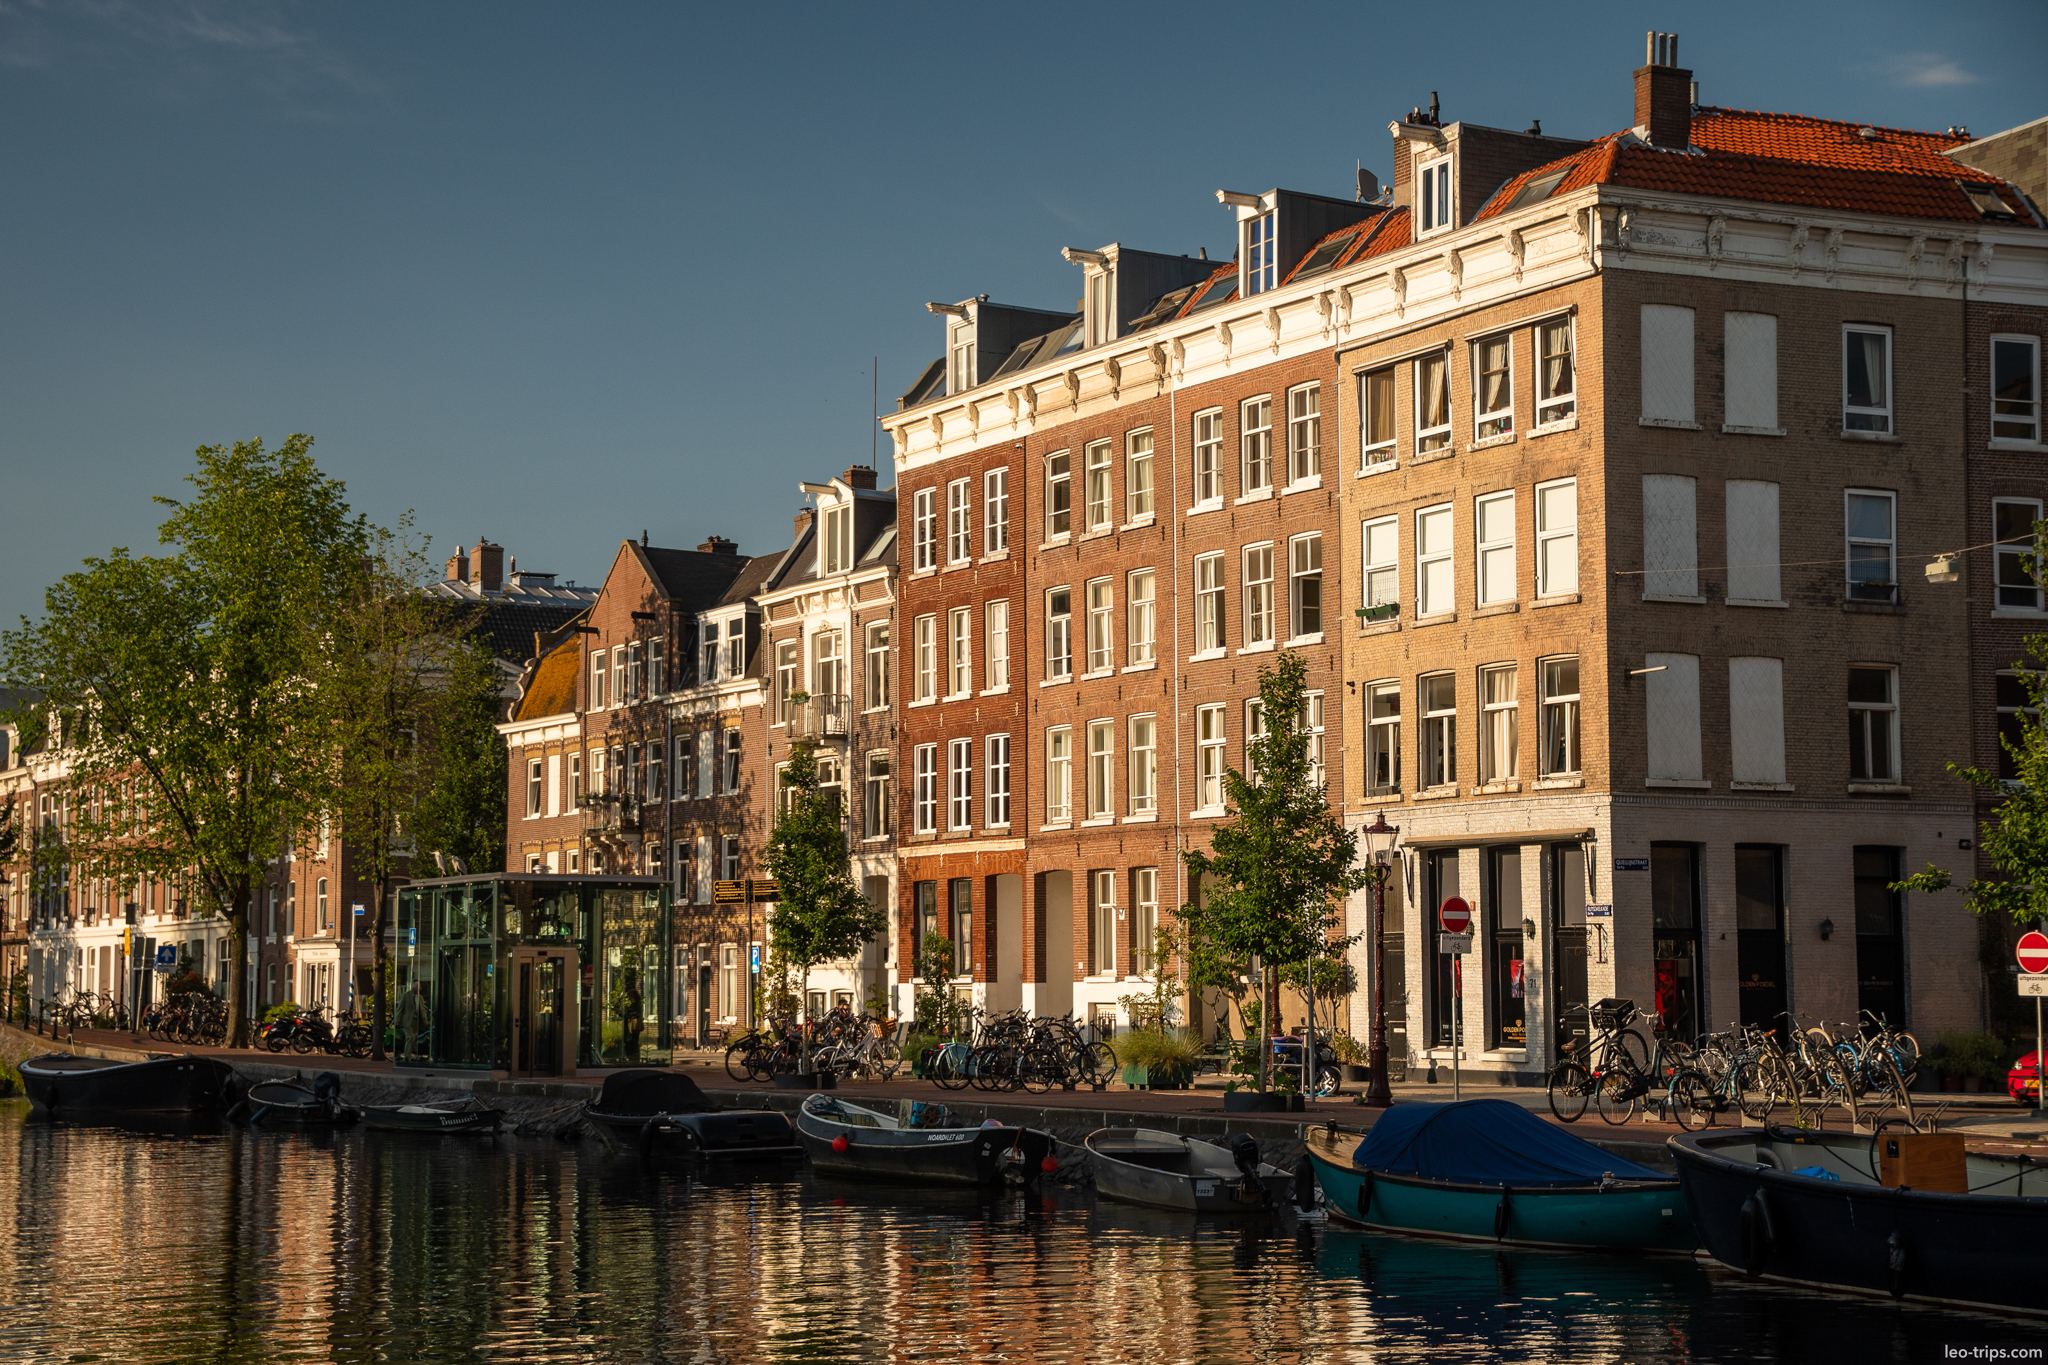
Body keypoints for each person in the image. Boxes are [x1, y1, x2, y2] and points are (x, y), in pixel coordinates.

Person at [395, 980, 426, 1061]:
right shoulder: (405, 995)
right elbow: (400, 1008)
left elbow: (422, 1009)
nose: (420, 990)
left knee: (413, 1038)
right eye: (418, 989)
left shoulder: (420, 997)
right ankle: (407, 1056)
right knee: (410, 1037)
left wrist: (425, 1021)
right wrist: (397, 1019)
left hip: (416, 1020)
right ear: (414, 988)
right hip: (407, 1020)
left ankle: (408, 1054)